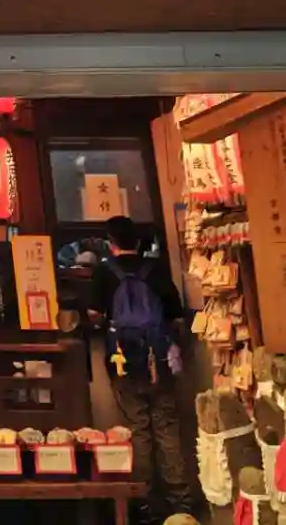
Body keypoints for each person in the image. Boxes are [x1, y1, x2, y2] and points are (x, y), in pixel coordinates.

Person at [93, 217, 194, 522]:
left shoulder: (104, 272)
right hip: (160, 360)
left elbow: (94, 315)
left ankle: (143, 503)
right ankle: (181, 504)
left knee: (137, 428)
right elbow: (177, 318)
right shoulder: (157, 270)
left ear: (110, 242)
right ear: (138, 242)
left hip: (123, 362)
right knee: (167, 427)